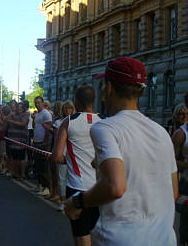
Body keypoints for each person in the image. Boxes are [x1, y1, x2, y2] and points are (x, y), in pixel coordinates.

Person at [65, 57, 178, 246]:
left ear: (108, 88)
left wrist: (77, 202)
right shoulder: (161, 132)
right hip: (164, 240)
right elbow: (172, 192)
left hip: (119, 239)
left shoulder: (105, 128)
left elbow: (115, 187)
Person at [53, 86, 101, 246]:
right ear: (94, 100)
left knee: (82, 236)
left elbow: (57, 156)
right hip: (99, 188)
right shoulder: (103, 123)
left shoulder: (68, 122)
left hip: (77, 187)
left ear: (77, 101)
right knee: (93, 231)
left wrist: (70, 159)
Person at [171, 103, 188, 245]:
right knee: (185, 218)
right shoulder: (179, 133)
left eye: (186, 114)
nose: (184, 117)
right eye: (181, 114)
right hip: (183, 180)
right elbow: (171, 162)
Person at [32, 96, 53, 196]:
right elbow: (35, 126)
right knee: (38, 165)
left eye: (39, 102)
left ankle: (47, 187)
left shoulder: (46, 113)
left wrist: (45, 141)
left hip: (43, 143)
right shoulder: (38, 114)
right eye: (36, 103)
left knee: (43, 165)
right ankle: (40, 184)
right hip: (36, 141)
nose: (37, 104)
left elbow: (48, 128)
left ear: (43, 103)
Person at [6, 102, 29, 179]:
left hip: (21, 140)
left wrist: (11, 121)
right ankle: (15, 173)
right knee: (14, 158)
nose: (19, 109)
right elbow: (5, 119)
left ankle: (22, 174)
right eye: (18, 107)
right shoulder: (13, 115)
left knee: (21, 158)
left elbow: (23, 123)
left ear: (23, 109)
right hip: (13, 140)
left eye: (21, 107)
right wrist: (10, 114)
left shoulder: (25, 115)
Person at [47, 100, 63, 202]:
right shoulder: (58, 120)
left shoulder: (59, 121)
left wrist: (49, 129)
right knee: (54, 172)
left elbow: (56, 136)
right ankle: (54, 192)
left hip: (56, 147)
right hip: (55, 146)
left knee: (56, 173)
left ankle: (56, 193)